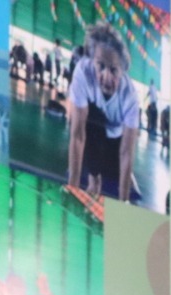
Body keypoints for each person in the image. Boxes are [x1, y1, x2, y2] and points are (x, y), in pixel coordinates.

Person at [66, 21, 140, 201]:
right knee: (84, 119)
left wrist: (123, 201)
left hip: (116, 135)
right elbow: (78, 135)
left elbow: (126, 152)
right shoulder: (83, 72)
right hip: (95, 126)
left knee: (120, 179)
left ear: (122, 70)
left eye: (113, 70)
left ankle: (126, 178)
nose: (106, 77)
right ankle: (94, 178)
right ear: (93, 61)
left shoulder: (130, 96)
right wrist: (72, 188)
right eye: (101, 66)